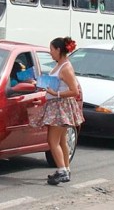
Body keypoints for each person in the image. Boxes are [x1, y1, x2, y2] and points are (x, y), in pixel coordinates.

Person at [41, 37, 84, 185]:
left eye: (52, 49)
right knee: (61, 141)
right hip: (59, 106)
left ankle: (62, 171)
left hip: (61, 107)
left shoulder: (65, 67)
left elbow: (74, 91)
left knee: (52, 141)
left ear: (59, 50)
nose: (50, 52)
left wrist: (56, 94)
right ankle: (65, 169)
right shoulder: (61, 65)